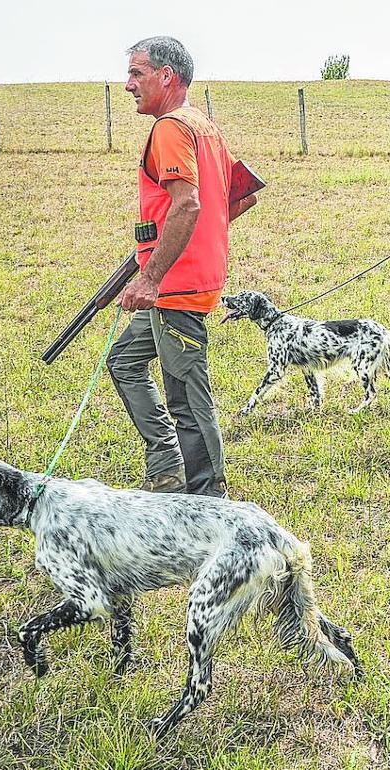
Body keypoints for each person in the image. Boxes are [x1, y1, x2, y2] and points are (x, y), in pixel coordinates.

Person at [109, 36, 257, 497]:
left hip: (176, 286)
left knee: (188, 402)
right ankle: (167, 462)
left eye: (137, 73)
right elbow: (243, 196)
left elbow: (188, 204)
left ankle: (210, 501)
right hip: (179, 278)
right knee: (124, 361)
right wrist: (189, 236)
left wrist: (151, 276)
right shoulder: (205, 127)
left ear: (166, 75)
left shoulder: (172, 128)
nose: (129, 83)